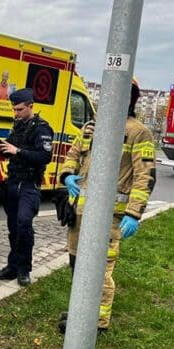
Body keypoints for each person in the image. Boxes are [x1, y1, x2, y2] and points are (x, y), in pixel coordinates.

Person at [57, 78, 156, 333]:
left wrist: (134, 213)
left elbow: (145, 175)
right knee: (77, 263)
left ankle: (97, 321)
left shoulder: (138, 132)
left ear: (129, 98)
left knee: (99, 269)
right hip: (80, 212)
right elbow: (73, 154)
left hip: (110, 217)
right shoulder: (91, 127)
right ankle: (81, 310)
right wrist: (67, 175)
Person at [0, 88, 53, 286]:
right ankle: (12, 267)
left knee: (24, 224)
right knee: (13, 227)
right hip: (12, 181)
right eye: (14, 109)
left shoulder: (42, 129)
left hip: (29, 184)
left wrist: (17, 151)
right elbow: (12, 149)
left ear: (30, 106)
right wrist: (4, 149)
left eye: (19, 109)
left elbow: (44, 156)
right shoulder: (17, 126)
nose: (15, 113)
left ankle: (24, 269)